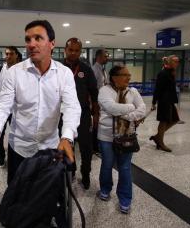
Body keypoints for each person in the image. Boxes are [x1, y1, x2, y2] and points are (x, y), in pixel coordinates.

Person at [0, 20, 81, 185]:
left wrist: (67, 137)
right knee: (17, 195)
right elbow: (3, 105)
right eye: (28, 40)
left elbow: (72, 107)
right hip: (20, 148)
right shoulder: (14, 73)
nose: (31, 44)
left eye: (38, 38)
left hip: (50, 148)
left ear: (52, 44)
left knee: (45, 197)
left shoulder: (64, 74)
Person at [97, 65, 146, 214]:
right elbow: (111, 107)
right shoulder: (104, 90)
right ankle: (105, 189)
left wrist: (126, 115)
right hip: (106, 136)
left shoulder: (133, 91)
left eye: (129, 75)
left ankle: (125, 199)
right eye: (125, 75)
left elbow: (142, 109)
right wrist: (132, 108)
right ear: (114, 77)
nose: (129, 77)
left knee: (125, 167)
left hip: (127, 135)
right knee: (107, 164)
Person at [62, 37, 98, 189]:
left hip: (82, 114)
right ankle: (71, 171)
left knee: (86, 147)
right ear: (65, 50)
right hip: (62, 115)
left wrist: (96, 115)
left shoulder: (86, 69)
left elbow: (94, 94)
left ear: (80, 52)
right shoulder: (57, 68)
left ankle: (86, 173)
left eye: (77, 50)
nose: (73, 53)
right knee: (67, 144)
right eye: (71, 50)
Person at [0, 46, 21, 167]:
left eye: (11, 54)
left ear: (17, 55)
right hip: (2, 110)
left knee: (17, 136)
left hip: (18, 110)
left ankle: (15, 157)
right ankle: (1, 155)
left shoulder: (23, 70)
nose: (8, 56)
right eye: (6, 54)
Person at [150, 55, 180, 152]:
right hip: (164, 101)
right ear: (170, 62)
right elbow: (158, 89)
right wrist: (154, 102)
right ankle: (161, 142)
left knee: (175, 119)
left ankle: (157, 137)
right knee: (163, 121)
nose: (177, 63)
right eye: (175, 61)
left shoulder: (171, 72)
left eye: (178, 61)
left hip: (170, 100)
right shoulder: (163, 73)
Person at [91, 49, 109, 155]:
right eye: (105, 56)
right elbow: (93, 88)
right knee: (96, 124)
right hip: (96, 101)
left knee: (100, 123)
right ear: (98, 57)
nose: (107, 58)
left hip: (102, 101)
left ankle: (98, 144)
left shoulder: (103, 70)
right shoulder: (94, 70)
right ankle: (94, 147)